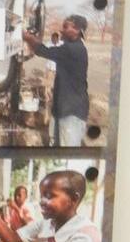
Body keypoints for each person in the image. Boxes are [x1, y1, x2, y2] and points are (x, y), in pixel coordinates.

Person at [23, 15, 90, 147]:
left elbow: (42, 50)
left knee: (68, 152)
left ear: (77, 30)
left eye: (66, 27)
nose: (61, 30)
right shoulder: (71, 47)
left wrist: (27, 37)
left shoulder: (74, 49)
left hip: (72, 112)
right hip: (61, 109)